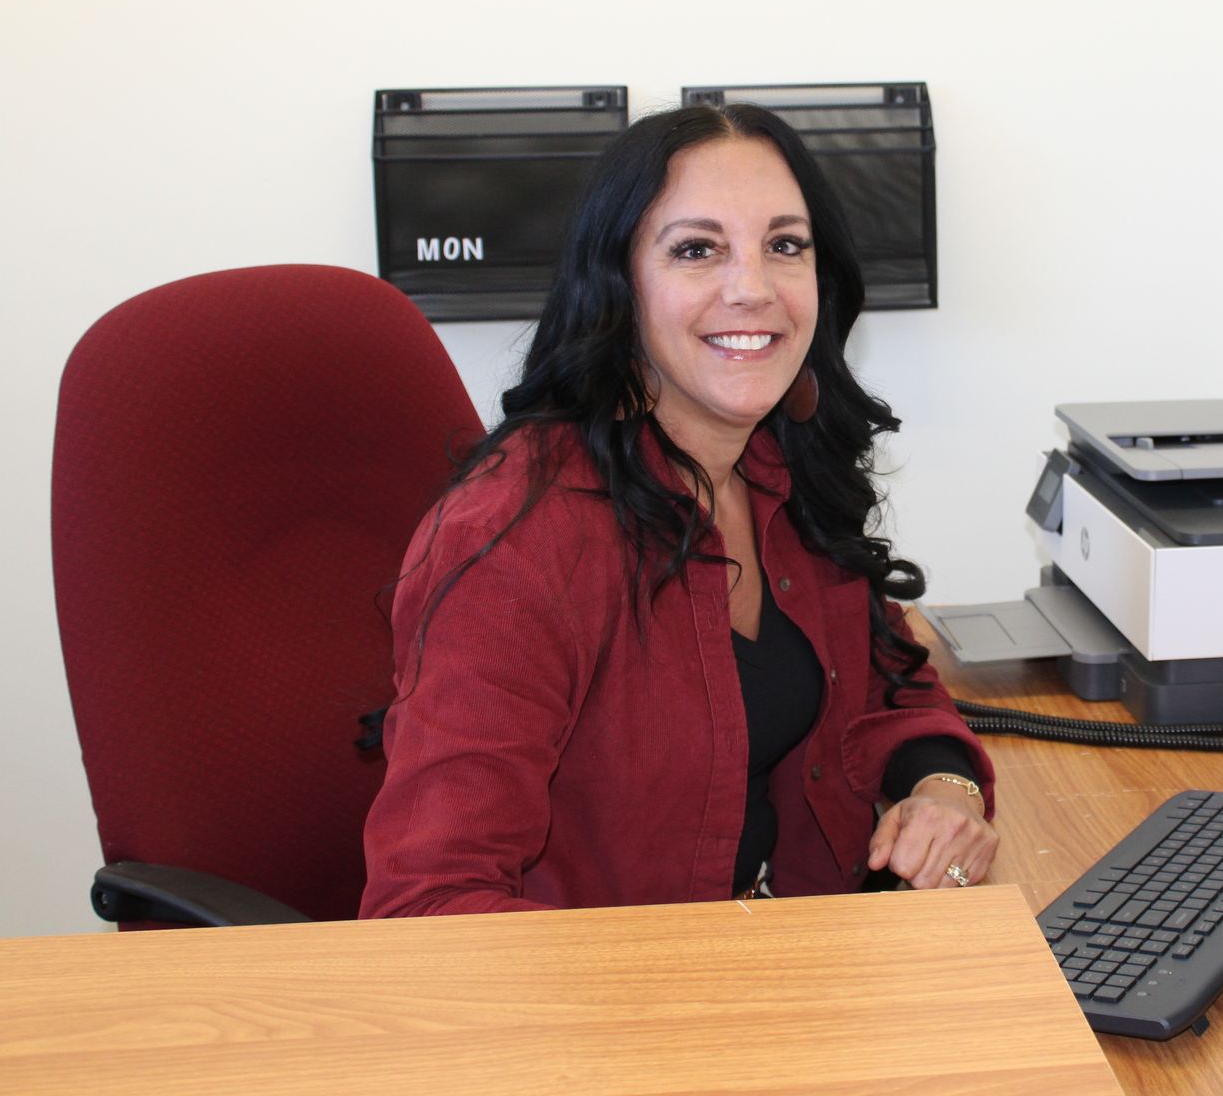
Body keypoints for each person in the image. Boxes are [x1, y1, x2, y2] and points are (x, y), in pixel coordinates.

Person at [360, 105, 997, 917]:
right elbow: (432, 906)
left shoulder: (778, 463)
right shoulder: (518, 541)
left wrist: (945, 792)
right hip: (604, 1013)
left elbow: (888, 682)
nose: (753, 288)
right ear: (620, 286)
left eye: (785, 245)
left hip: (800, 960)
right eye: (697, 249)